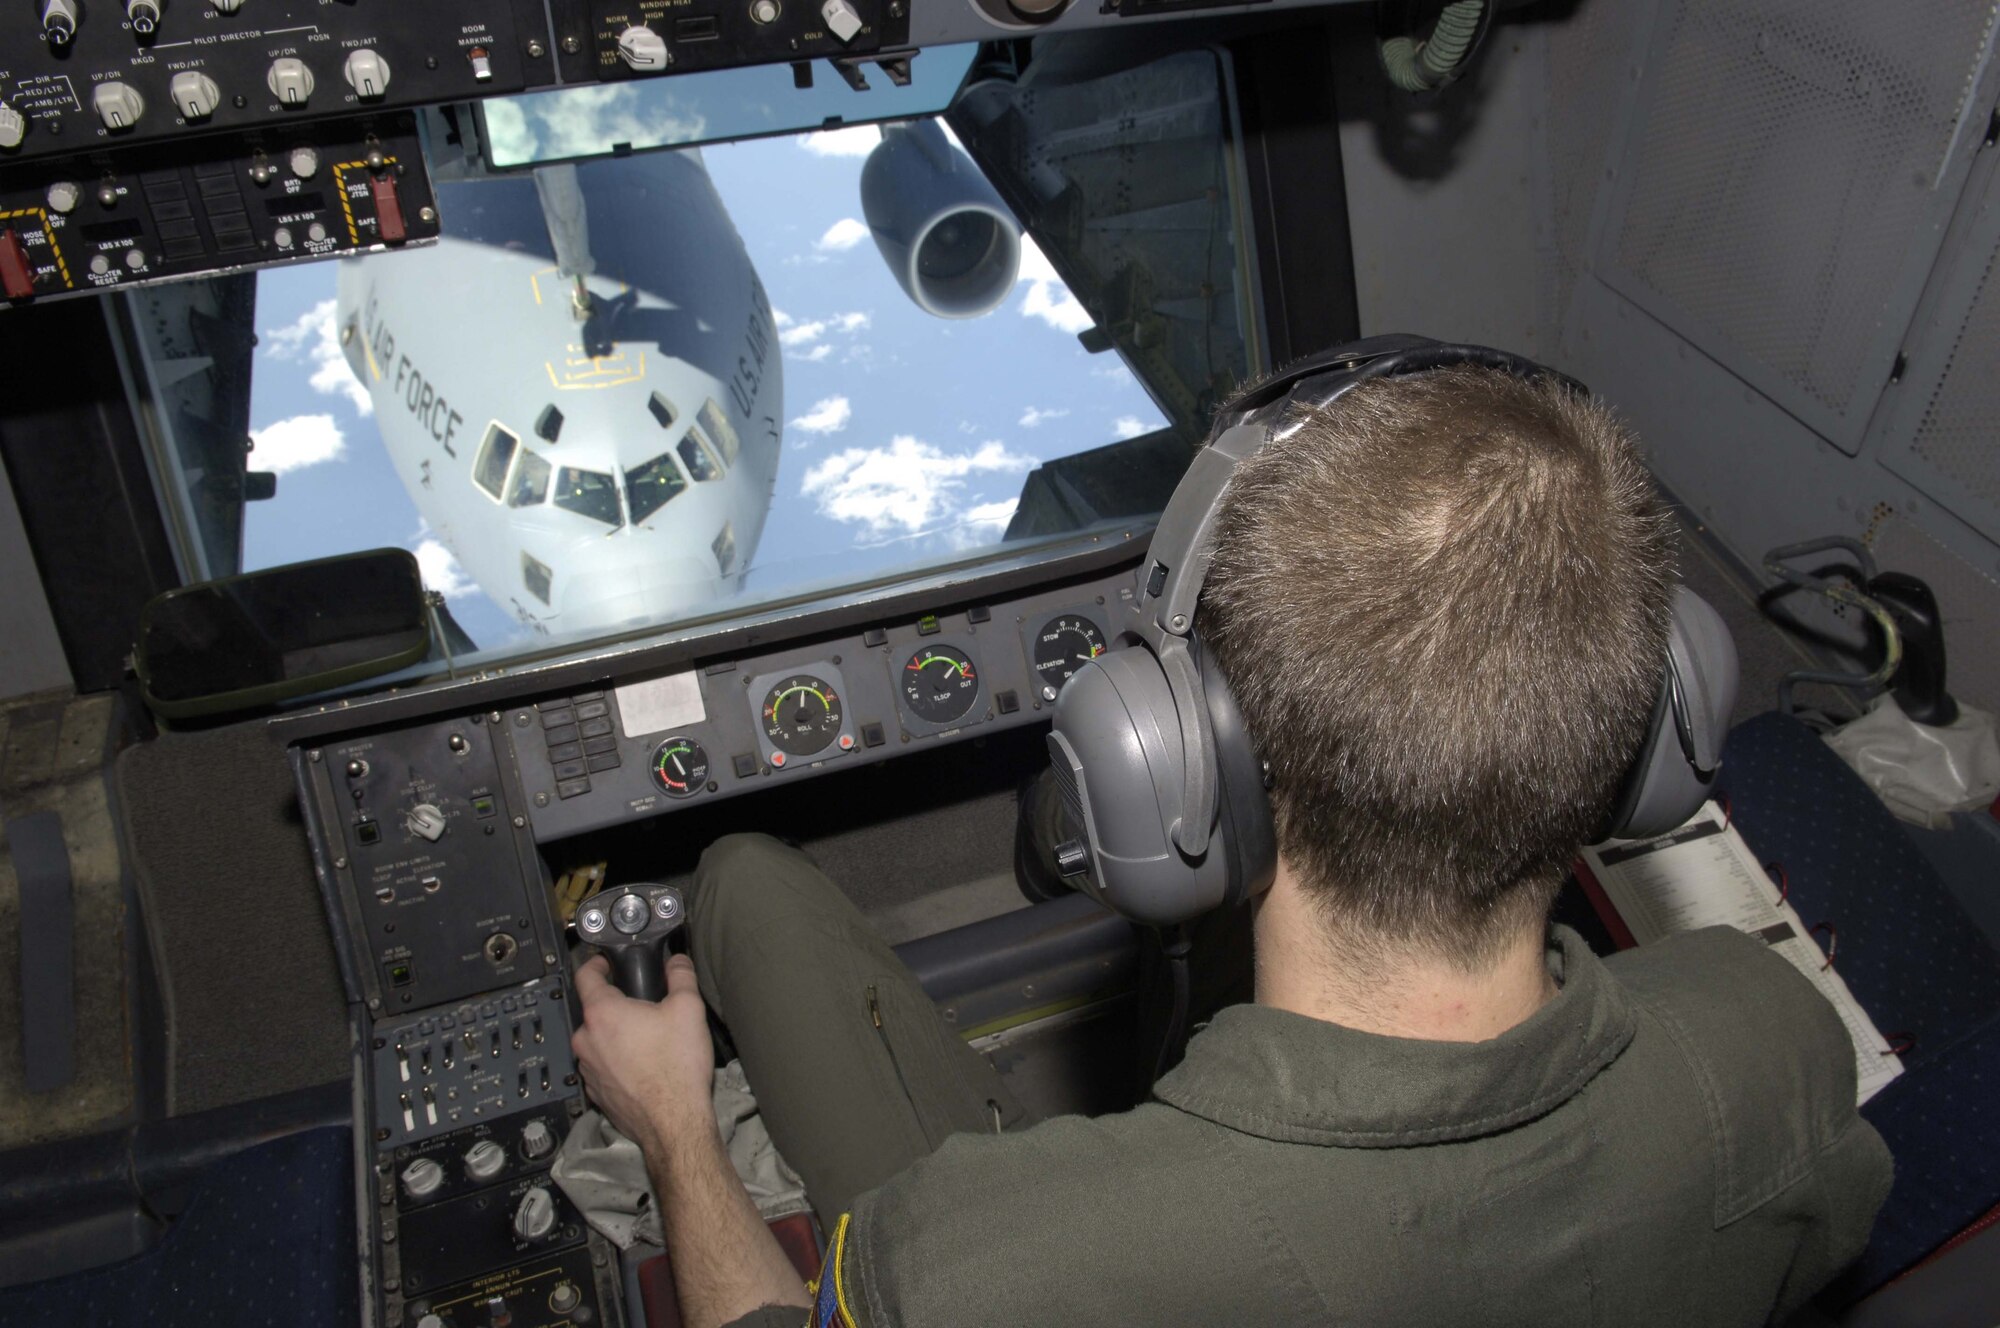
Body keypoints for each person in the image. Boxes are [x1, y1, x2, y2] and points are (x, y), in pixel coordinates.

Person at [571, 362, 1893, 1328]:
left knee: (744, 885)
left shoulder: (989, 1264)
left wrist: (676, 1123)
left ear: (1173, 765)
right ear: (1660, 718)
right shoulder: (1770, 1045)